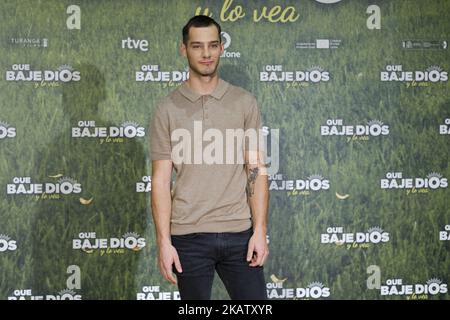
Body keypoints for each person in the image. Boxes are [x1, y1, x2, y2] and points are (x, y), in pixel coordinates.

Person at [150, 15, 269, 300]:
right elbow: (161, 180)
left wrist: (260, 230)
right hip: (188, 237)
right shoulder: (166, 109)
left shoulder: (244, 102)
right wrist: (163, 242)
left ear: (221, 48)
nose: (206, 54)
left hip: (239, 232)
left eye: (213, 45)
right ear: (184, 49)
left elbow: (255, 169)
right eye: (197, 46)